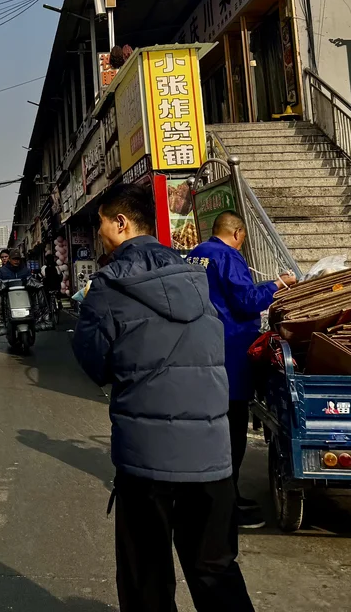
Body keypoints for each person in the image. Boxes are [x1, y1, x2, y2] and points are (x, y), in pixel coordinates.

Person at [72, 184, 254, 612]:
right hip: (212, 455)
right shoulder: (196, 276)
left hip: (147, 457)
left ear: (121, 223)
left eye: (101, 223)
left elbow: (94, 361)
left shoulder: (110, 284)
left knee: (147, 575)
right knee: (215, 567)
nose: (99, 233)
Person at [188, 211, 296, 530]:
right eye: (244, 239)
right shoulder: (228, 257)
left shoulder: (196, 256)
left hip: (202, 350)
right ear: (237, 233)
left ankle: (222, 495)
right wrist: (278, 284)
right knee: (232, 431)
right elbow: (246, 301)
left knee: (213, 429)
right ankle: (225, 506)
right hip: (230, 352)